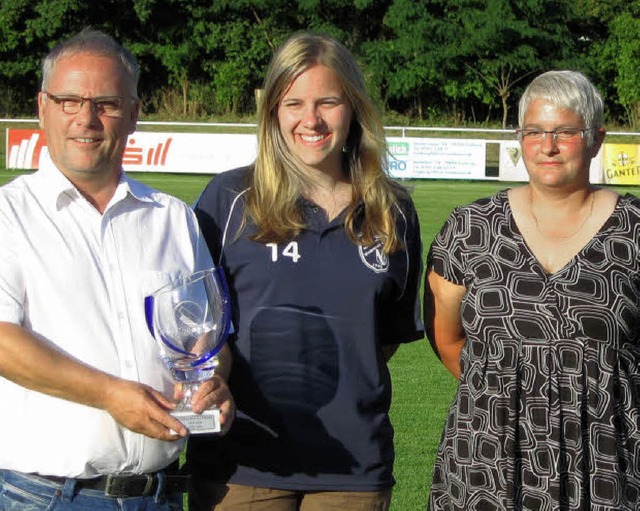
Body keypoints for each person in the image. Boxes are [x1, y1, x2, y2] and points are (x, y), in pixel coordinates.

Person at [188, 31, 424, 511]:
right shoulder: (228, 200)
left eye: (328, 102)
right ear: (274, 110)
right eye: (294, 102)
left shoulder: (392, 209)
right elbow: (199, 326)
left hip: (353, 470)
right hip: (242, 466)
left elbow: (384, 336)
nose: (310, 119)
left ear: (353, 106)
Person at [0, 29, 234, 511]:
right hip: (46, 496)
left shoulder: (172, 216)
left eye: (105, 103)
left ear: (133, 113)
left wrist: (213, 382)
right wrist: (110, 395)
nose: (86, 119)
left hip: (162, 493)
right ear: (42, 107)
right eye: (69, 101)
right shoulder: (9, 214)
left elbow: (205, 334)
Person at [425, 70, 640, 510]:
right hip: (486, 462)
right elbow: (446, 337)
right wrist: (510, 391)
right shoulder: (471, 228)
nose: (549, 145)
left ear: (597, 138)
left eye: (565, 131)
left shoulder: (634, 231)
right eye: (535, 131)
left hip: (605, 464)